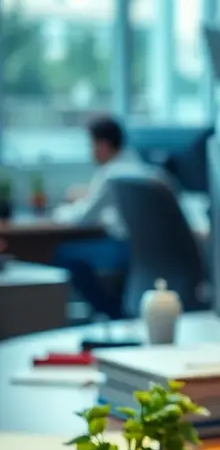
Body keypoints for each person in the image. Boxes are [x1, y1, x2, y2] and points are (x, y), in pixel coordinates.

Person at [52, 115, 168, 321]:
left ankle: (113, 312)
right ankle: (117, 310)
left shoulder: (111, 174)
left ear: (103, 145)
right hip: (151, 251)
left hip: (124, 249)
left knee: (63, 254)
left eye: (92, 145)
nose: (91, 152)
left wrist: (59, 211)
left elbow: (82, 218)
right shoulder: (148, 171)